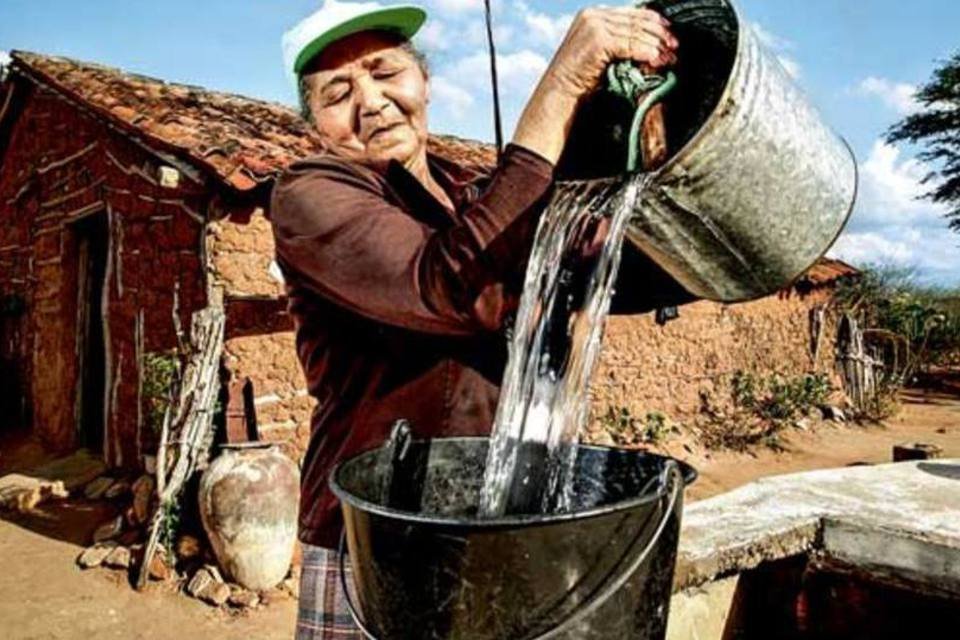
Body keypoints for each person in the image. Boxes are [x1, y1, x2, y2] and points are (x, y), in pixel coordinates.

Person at [273, 1, 684, 637]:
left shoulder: (472, 197)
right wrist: (564, 81)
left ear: (424, 81)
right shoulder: (310, 195)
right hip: (377, 541)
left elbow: (604, 271)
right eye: (338, 93)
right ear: (316, 124)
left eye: (386, 72)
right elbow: (450, 287)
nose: (373, 101)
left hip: (495, 525)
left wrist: (646, 146)